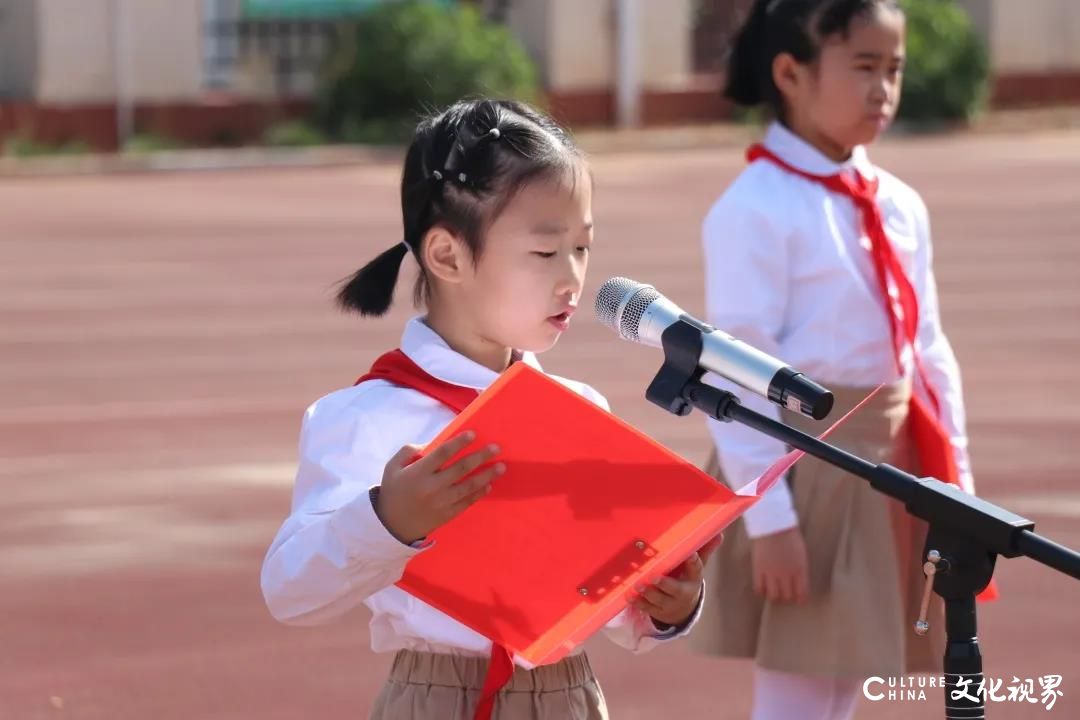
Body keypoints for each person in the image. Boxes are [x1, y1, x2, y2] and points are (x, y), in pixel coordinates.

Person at [260, 98, 714, 720]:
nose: (573, 278)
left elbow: (605, 611)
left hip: (570, 695)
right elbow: (291, 593)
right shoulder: (366, 417)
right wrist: (388, 518)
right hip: (438, 694)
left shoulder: (579, 410)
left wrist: (666, 604)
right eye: (545, 252)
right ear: (447, 256)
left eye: (583, 248)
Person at [690, 2, 982, 718]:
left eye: (895, 69)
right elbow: (735, 371)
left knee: (848, 678)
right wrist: (771, 523)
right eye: (863, 67)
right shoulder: (753, 208)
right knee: (798, 689)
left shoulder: (902, 204)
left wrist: (961, 484)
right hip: (803, 466)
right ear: (790, 72)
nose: (883, 88)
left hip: (894, 459)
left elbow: (930, 346)